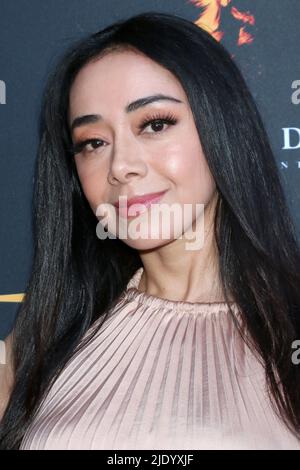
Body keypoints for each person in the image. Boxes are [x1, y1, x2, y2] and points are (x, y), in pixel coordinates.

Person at [0, 11, 300, 450]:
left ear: (223, 128)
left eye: (155, 124)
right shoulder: (46, 334)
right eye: (93, 142)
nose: (121, 166)